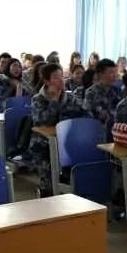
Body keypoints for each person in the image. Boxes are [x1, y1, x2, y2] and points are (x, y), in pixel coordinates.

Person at [31, 63, 87, 196]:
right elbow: (43, 122)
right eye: (56, 77)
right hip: (44, 145)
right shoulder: (38, 99)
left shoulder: (70, 97)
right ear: (46, 81)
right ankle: (47, 192)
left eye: (62, 76)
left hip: (68, 141)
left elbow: (85, 114)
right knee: (50, 187)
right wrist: (54, 101)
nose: (61, 79)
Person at [83, 59, 124, 134]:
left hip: (116, 132)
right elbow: (90, 116)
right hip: (97, 132)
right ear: (100, 74)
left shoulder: (117, 91)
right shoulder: (91, 93)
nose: (115, 75)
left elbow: (122, 113)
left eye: (115, 72)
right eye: (111, 72)